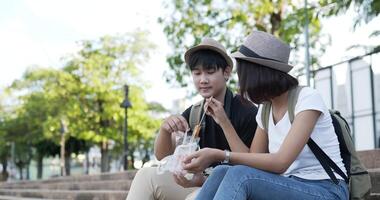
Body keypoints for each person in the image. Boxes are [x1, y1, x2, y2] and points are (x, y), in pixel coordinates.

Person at [182, 31, 349, 200]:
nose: (241, 81)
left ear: (258, 73)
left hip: (326, 189)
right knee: (221, 171)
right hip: (288, 184)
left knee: (239, 175)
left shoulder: (307, 99)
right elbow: (250, 158)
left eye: (243, 73)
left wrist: (219, 154)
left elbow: (281, 162)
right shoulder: (266, 109)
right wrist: (224, 122)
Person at [126, 38, 258, 200]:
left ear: (226, 72)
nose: (202, 79)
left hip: (234, 188)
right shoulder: (194, 112)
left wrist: (224, 122)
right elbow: (163, 155)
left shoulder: (247, 110)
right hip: (200, 182)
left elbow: (251, 164)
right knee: (146, 175)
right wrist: (165, 130)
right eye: (197, 73)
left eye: (210, 72)